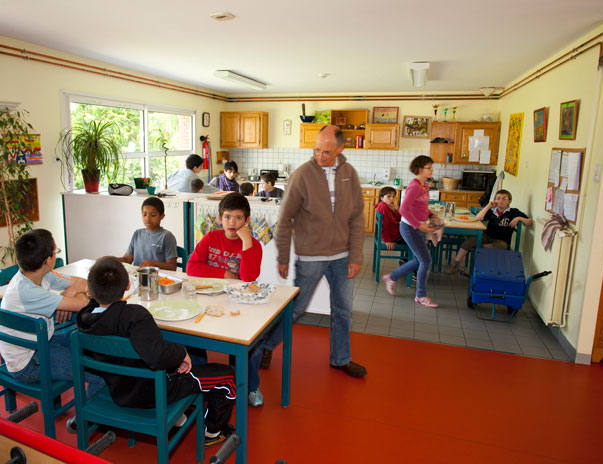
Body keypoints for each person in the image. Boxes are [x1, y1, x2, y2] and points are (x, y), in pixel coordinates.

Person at [77, 256, 236, 447]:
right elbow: (157, 356)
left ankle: (180, 418)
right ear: (128, 285)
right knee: (228, 377)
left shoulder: (84, 321)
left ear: (89, 290)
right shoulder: (135, 316)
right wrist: (180, 353)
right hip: (153, 391)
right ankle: (213, 432)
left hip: (119, 389)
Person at [271, 124, 367, 378]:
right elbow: (285, 219)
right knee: (296, 309)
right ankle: (266, 345)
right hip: (310, 257)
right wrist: (283, 256)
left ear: (340, 149)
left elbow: (357, 218)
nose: (320, 156)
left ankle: (340, 359)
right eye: (316, 150)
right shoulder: (302, 175)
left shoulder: (349, 174)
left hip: (342, 256)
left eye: (326, 152)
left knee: (343, 310)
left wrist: (356, 255)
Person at [0, 229, 105, 429]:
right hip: (28, 363)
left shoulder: (38, 276)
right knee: (101, 374)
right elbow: (82, 304)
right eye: (55, 252)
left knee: (82, 339)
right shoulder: (28, 291)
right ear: (48, 260)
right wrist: (75, 295)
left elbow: (82, 282)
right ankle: (83, 421)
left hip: (39, 343)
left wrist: (72, 291)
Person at [186, 193, 266, 406]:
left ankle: (250, 386)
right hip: (208, 302)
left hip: (238, 306)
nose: (233, 223)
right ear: (220, 218)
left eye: (239, 218)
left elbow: (248, 277)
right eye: (228, 217)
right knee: (189, 338)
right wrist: (224, 274)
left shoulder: (253, 245)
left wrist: (246, 240)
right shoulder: (211, 238)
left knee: (254, 343)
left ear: (247, 221)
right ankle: (198, 381)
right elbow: (191, 267)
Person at [382, 156, 440, 308]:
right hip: (410, 228)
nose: (431, 170)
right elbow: (403, 209)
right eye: (429, 167)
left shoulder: (424, 185)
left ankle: (392, 277)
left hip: (417, 227)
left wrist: (431, 215)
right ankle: (420, 295)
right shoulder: (414, 186)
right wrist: (419, 226)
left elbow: (421, 207)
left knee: (418, 260)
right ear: (421, 170)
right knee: (426, 261)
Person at [448, 189, 533, 274]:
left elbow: (529, 221)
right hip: (487, 236)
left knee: (497, 246)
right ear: (495, 200)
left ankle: (481, 257)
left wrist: (518, 218)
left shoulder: (513, 212)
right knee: (470, 241)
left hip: (501, 241)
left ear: (509, 201)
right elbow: (477, 218)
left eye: (504, 198)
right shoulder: (492, 211)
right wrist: (488, 206)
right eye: (498, 198)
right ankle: (456, 263)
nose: (501, 201)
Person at [118, 197, 178, 271]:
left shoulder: (167, 236)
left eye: (153, 215)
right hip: (137, 277)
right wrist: (111, 259)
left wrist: (155, 264)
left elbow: (172, 267)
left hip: (158, 278)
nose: (147, 218)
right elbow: (127, 260)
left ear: (162, 216)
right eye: (144, 214)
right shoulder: (137, 234)